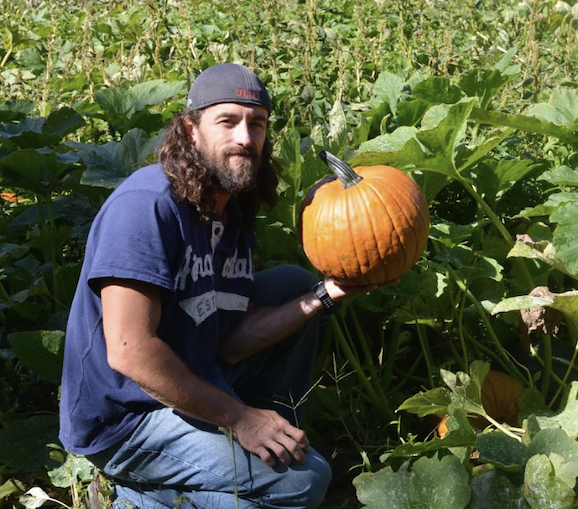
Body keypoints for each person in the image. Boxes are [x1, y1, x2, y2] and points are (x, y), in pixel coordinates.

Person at [59, 63, 389, 509]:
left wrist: (325, 296)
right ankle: (139, 498)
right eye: (227, 121)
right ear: (191, 130)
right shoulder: (146, 207)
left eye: (257, 124)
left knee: (295, 285)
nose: (244, 138)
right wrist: (238, 418)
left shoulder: (229, 212)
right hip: (127, 420)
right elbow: (128, 349)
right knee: (307, 483)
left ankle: (278, 445)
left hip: (193, 381)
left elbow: (230, 346)